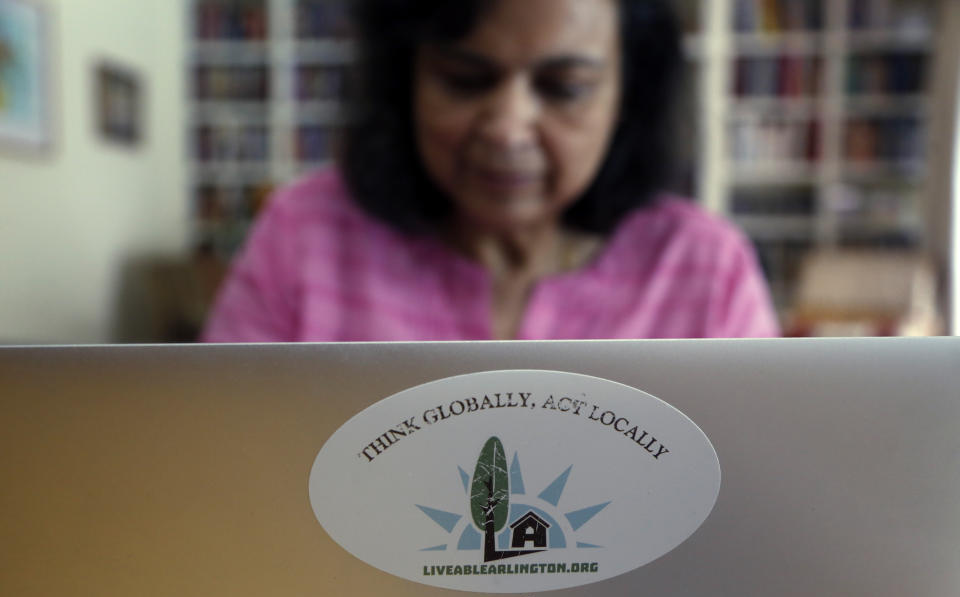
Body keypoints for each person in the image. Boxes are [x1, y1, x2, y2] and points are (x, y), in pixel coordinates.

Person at [203, 0, 779, 342]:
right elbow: (219, 459)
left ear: (628, 98)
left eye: (564, 89)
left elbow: (765, 501)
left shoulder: (705, 268)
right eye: (464, 79)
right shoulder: (304, 236)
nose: (507, 126)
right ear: (406, 82)